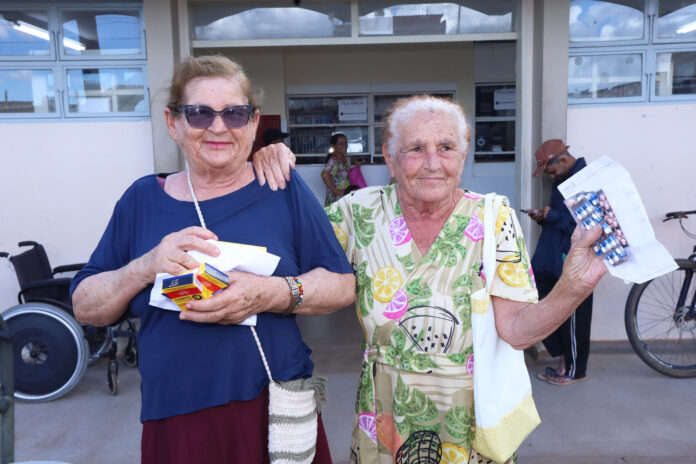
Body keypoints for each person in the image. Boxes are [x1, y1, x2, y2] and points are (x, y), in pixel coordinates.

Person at [254, 95, 606, 463]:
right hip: (384, 423)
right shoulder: (358, 214)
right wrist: (270, 172)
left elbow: (517, 332)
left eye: (446, 147)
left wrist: (574, 286)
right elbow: (281, 256)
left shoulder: (493, 218)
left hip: (470, 426)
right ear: (390, 158)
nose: (432, 163)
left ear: (463, 156)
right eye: (415, 148)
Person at [71, 55, 355, 464]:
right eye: (199, 113)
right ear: (173, 123)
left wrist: (270, 293)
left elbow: (342, 285)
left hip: (272, 406)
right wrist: (145, 266)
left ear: (253, 123)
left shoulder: (280, 188)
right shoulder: (142, 200)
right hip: (176, 413)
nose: (218, 127)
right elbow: (85, 306)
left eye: (234, 113)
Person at [527, 139, 593, 386]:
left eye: (551, 171)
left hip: (574, 259)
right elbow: (564, 219)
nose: (551, 176)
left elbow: (587, 226)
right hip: (552, 257)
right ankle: (564, 358)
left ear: (563, 159)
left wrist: (552, 215)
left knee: (575, 316)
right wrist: (543, 217)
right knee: (538, 302)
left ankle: (575, 370)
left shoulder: (585, 181)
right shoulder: (565, 180)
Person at [321, 133, 351, 205]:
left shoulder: (345, 159)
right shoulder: (334, 161)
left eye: (345, 143)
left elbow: (350, 159)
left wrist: (355, 161)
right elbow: (324, 174)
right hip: (336, 200)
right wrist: (335, 190)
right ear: (333, 146)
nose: (345, 146)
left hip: (344, 197)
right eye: (341, 144)